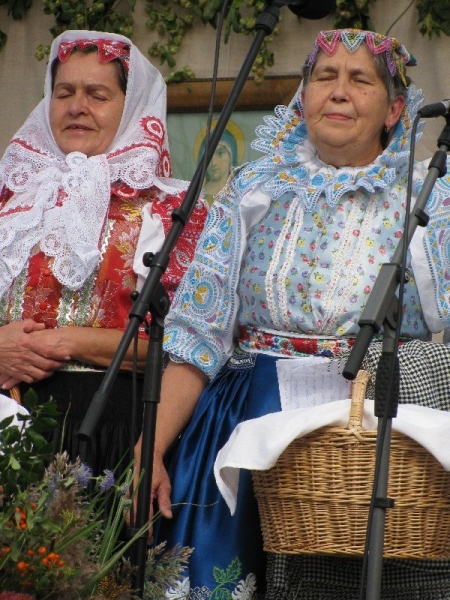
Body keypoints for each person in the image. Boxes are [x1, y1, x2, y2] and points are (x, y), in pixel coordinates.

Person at [142, 28, 450, 598]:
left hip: (369, 436)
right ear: (303, 96)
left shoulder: (431, 201)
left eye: (360, 80)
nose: (339, 91)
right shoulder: (255, 191)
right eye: (324, 77)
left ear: (394, 110)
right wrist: (152, 447)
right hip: (242, 424)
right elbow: (196, 335)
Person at [0, 30, 208, 477]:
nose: (77, 107)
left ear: (132, 107)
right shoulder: (11, 200)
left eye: (98, 95)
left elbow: (192, 346)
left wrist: (67, 341)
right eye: (64, 93)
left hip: (110, 430)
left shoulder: (170, 210)